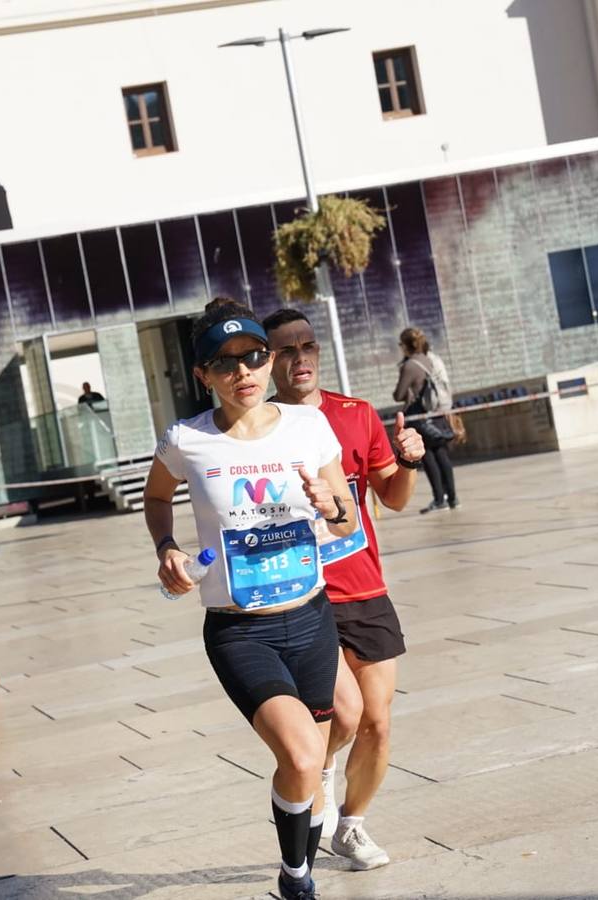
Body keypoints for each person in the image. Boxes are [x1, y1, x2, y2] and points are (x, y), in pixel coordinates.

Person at [143, 298, 359, 900]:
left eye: (255, 357)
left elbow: (343, 521)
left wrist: (330, 506)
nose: (245, 372)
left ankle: (298, 865)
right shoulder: (187, 440)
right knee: (300, 753)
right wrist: (167, 548)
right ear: (203, 375)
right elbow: (157, 497)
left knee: (323, 745)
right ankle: (297, 880)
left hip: (312, 618)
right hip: (241, 630)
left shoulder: (308, 426)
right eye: (227, 362)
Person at [264, 307, 425, 871]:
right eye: (286, 349)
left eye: (308, 346)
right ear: (268, 360)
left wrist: (407, 461)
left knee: (378, 722)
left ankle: (351, 826)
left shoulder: (355, 415)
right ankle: (317, 770)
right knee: (344, 714)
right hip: (305, 595)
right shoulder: (257, 428)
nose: (300, 357)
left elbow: (395, 497)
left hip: (365, 585)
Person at [393, 327, 458, 513]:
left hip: (419, 417)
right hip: (436, 413)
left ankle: (439, 499)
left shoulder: (410, 365)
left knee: (428, 457)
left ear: (405, 345)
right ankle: (453, 498)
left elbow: (398, 395)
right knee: (442, 454)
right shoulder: (429, 359)